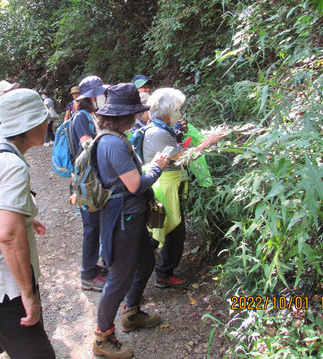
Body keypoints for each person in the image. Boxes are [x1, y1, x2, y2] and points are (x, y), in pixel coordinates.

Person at [0, 88, 55, 359]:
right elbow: (7, 235)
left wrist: (26, 217)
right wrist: (27, 292)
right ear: (29, 125)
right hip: (4, 285)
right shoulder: (12, 165)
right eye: (44, 119)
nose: (48, 123)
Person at [92, 83, 170, 359]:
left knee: (147, 261)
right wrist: (158, 166)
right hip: (122, 219)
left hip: (130, 217)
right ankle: (102, 336)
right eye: (135, 112)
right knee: (118, 278)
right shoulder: (113, 143)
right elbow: (136, 185)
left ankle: (132, 312)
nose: (138, 117)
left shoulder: (113, 137)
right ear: (123, 116)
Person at [142, 88, 226, 288]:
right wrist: (209, 141)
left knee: (171, 231)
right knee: (162, 232)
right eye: (177, 109)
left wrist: (178, 132)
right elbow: (184, 158)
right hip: (164, 187)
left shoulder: (160, 128)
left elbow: (175, 149)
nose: (180, 113)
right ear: (168, 112)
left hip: (169, 184)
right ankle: (141, 279)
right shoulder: (159, 133)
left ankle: (162, 273)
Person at [72, 75, 108, 291]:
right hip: (87, 180)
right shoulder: (80, 117)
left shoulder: (93, 114)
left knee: (98, 224)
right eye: (100, 94)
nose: (103, 97)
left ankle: (95, 267)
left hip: (95, 178)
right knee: (91, 227)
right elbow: (88, 145)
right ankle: (87, 274)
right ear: (91, 97)